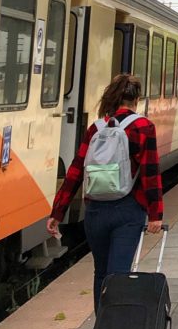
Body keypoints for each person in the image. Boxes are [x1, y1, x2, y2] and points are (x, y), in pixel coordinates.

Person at [46, 73, 164, 309]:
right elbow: (151, 175)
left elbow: (76, 171)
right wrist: (155, 215)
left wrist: (57, 212)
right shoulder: (143, 126)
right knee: (118, 276)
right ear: (136, 99)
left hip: (96, 212)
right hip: (128, 211)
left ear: (112, 97)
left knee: (101, 274)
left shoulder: (96, 128)